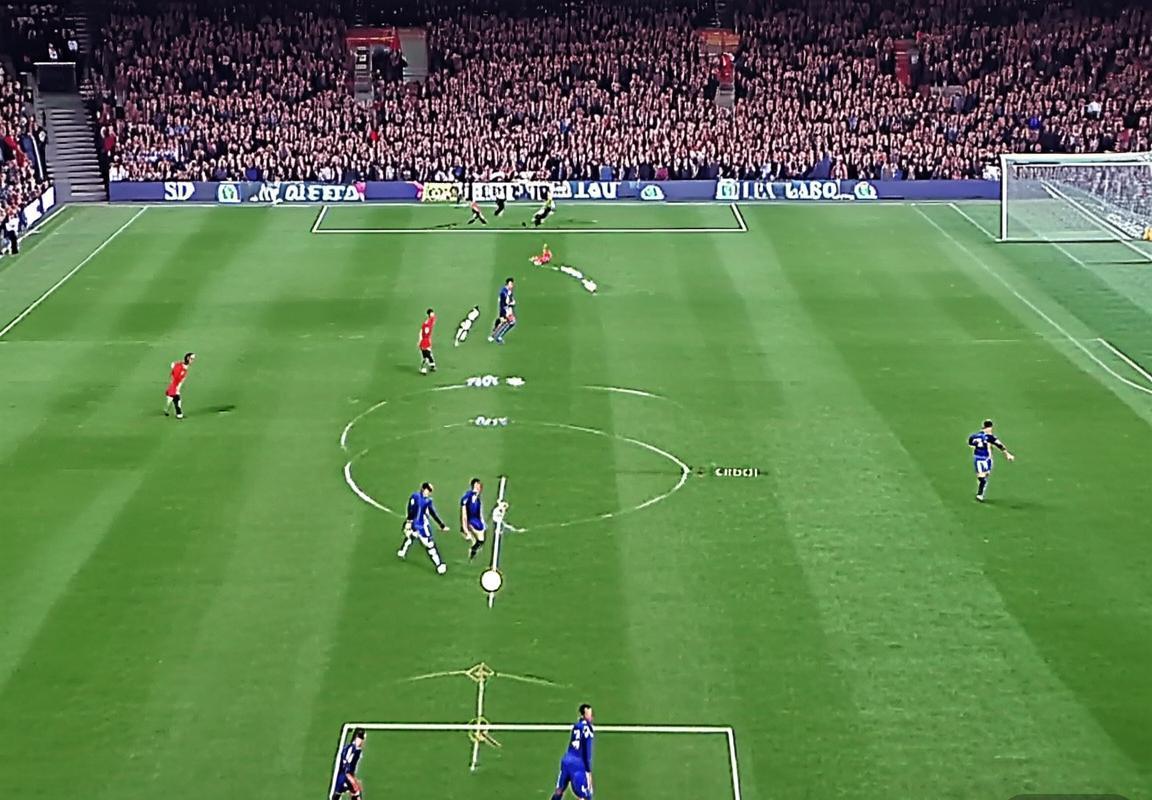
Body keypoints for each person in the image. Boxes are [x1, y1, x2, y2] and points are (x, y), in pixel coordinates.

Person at [398, 482, 449, 573]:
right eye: (428, 490)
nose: (429, 492)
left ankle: (402, 551)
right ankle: (439, 565)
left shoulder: (418, 497)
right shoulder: (424, 500)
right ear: (424, 489)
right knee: (430, 545)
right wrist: (441, 525)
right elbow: (430, 513)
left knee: (412, 536)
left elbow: (411, 509)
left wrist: (408, 521)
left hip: (414, 524)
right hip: (421, 526)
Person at [550, 704, 594, 800]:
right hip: (578, 765)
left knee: (559, 791)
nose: (591, 716)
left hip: (566, 761)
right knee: (586, 796)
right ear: (583, 715)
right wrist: (588, 771)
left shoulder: (576, 726)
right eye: (589, 714)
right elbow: (587, 751)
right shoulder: (588, 729)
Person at [968, 419, 1015, 501]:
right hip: (986, 459)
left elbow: (970, 444)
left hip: (978, 458)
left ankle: (981, 490)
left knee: (982, 477)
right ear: (990, 428)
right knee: (984, 477)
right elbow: (1000, 445)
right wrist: (1007, 454)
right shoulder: (990, 437)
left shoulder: (973, 436)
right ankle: (980, 494)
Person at [332, 728, 365, 800]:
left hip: (345, 774)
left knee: (339, 793)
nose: (362, 741)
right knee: (356, 792)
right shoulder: (353, 750)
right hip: (346, 774)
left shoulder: (351, 748)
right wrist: (349, 777)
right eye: (360, 738)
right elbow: (347, 764)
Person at [163, 352, 196, 419]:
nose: (193, 361)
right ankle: (179, 414)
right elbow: (175, 377)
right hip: (174, 387)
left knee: (170, 399)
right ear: (188, 358)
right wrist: (176, 388)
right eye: (192, 359)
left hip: (175, 387)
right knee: (177, 400)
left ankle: (166, 409)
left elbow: (173, 366)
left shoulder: (183, 366)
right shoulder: (180, 367)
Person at [460, 478, 486, 560]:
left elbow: (479, 511)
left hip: (477, 521)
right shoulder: (468, 497)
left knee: (480, 541)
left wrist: (482, 521)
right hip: (472, 521)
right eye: (479, 485)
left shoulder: (478, 498)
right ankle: (472, 552)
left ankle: (473, 550)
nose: (480, 487)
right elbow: (464, 515)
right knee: (480, 540)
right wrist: (465, 528)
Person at [488, 278, 516, 344]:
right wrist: (504, 314)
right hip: (505, 310)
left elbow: (510, 300)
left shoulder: (508, 291)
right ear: (507, 284)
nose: (512, 285)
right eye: (511, 284)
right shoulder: (503, 292)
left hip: (508, 309)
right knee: (509, 322)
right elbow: (503, 304)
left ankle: (495, 336)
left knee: (507, 323)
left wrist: (512, 302)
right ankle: (496, 336)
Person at [419, 308, 437, 374]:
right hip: (425, 341)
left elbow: (433, 318)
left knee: (427, 355)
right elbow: (422, 333)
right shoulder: (427, 324)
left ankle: (428, 367)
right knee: (427, 355)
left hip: (426, 340)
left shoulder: (429, 322)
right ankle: (430, 366)